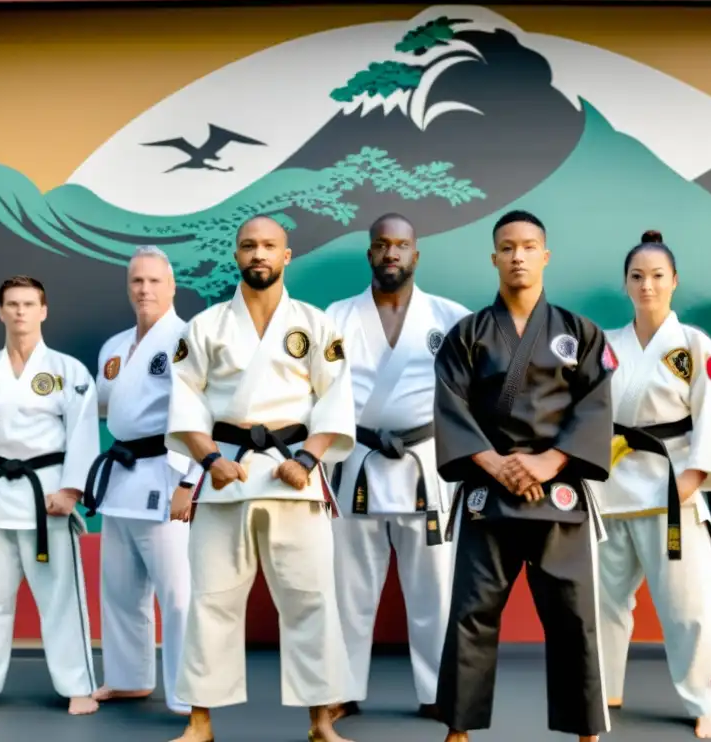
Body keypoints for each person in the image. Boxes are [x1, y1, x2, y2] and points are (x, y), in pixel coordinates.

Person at [164, 215, 357, 742]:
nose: (258, 254)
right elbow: (185, 401)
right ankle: (199, 720)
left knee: (312, 598)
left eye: (269, 246)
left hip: (293, 476)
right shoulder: (205, 326)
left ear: (286, 255)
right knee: (211, 598)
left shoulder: (314, 323)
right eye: (248, 245)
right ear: (236, 255)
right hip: (226, 475)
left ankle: (321, 720)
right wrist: (208, 461)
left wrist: (311, 459)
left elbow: (336, 401)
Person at [432, 209, 615, 742]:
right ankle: (459, 728)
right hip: (488, 491)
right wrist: (496, 463)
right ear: (494, 257)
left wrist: (548, 461)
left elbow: (595, 405)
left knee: (573, 615)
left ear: (545, 255)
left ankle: (585, 729)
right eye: (507, 247)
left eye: (528, 246)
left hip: (557, 490)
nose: (518, 256)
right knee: (472, 612)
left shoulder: (580, 332)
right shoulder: (467, 334)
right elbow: (451, 407)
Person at [594, 230, 711, 740]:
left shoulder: (696, 346)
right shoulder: (605, 345)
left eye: (657, 276)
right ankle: (604, 690)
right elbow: (584, 413)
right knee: (602, 600)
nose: (647, 286)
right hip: (610, 487)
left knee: (689, 604)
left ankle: (707, 701)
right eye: (638, 277)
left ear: (674, 281)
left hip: (670, 487)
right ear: (625, 284)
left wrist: (693, 479)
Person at [325, 213, 469, 722]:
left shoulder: (451, 317)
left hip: (423, 466)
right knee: (349, 587)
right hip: (356, 463)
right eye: (382, 245)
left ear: (415, 254)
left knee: (434, 585)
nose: (392, 253)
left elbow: (476, 396)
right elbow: (317, 395)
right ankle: (342, 688)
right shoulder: (335, 317)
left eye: (401, 245)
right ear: (370, 254)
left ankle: (437, 691)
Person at [0, 276, 100, 717]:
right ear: (0, 312)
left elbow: (83, 431)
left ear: (43, 310)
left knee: (62, 599)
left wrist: (70, 489)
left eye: (29, 304)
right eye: (12, 304)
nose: (20, 312)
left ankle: (79, 686)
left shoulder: (69, 371)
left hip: (47, 496)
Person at [86, 246, 202, 715]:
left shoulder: (187, 340)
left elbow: (202, 416)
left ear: (172, 286)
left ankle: (186, 692)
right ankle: (129, 678)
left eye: (154, 281)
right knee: (120, 588)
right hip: (120, 479)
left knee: (176, 595)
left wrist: (187, 482)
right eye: (137, 281)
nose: (145, 289)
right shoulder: (114, 347)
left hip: (165, 475)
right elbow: (102, 406)